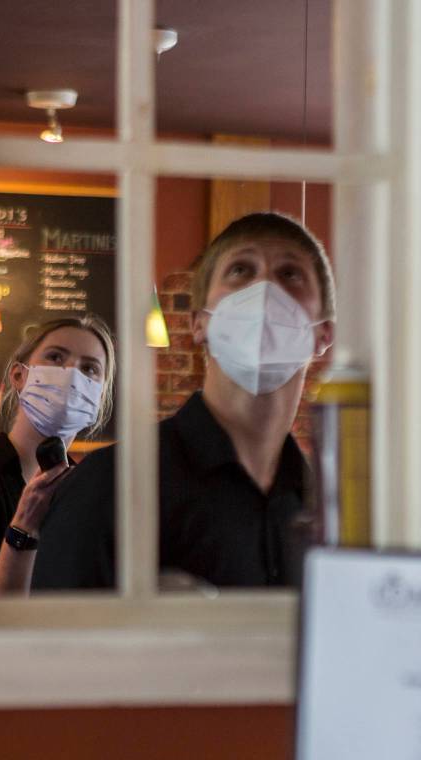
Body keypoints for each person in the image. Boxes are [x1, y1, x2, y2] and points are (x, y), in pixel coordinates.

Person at [31, 211, 335, 590]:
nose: (264, 291)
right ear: (199, 323)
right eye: (241, 270)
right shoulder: (115, 483)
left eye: (290, 274)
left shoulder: (324, 507)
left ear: (323, 334)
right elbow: (56, 645)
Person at [0, 315, 115, 594]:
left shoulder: (90, 490)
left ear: (98, 397)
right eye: (55, 357)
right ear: (19, 375)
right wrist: (23, 529)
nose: (72, 374)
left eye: (89, 368)